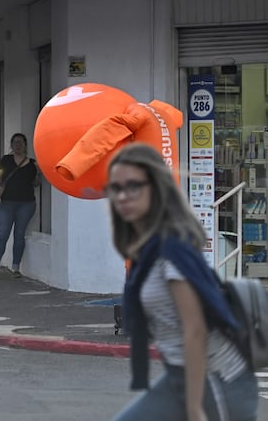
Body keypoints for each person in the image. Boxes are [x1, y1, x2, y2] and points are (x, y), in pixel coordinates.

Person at [107, 143, 257, 421]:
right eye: (116, 188)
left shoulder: (171, 248)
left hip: (218, 383)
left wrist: (193, 408)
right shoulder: (146, 249)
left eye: (133, 186)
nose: (123, 196)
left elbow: (196, 329)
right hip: (178, 378)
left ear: (156, 188)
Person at [0, 133, 40, 279]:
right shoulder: (6, 160)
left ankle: (16, 267)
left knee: (19, 235)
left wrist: (38, 172)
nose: (18, 145)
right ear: (11, 145)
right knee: (2, 234)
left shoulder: (32, 163)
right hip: (6, 203)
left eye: (20, 143)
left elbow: (36, 184)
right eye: (15, 142)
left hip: (26, 203)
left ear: (25, 145)